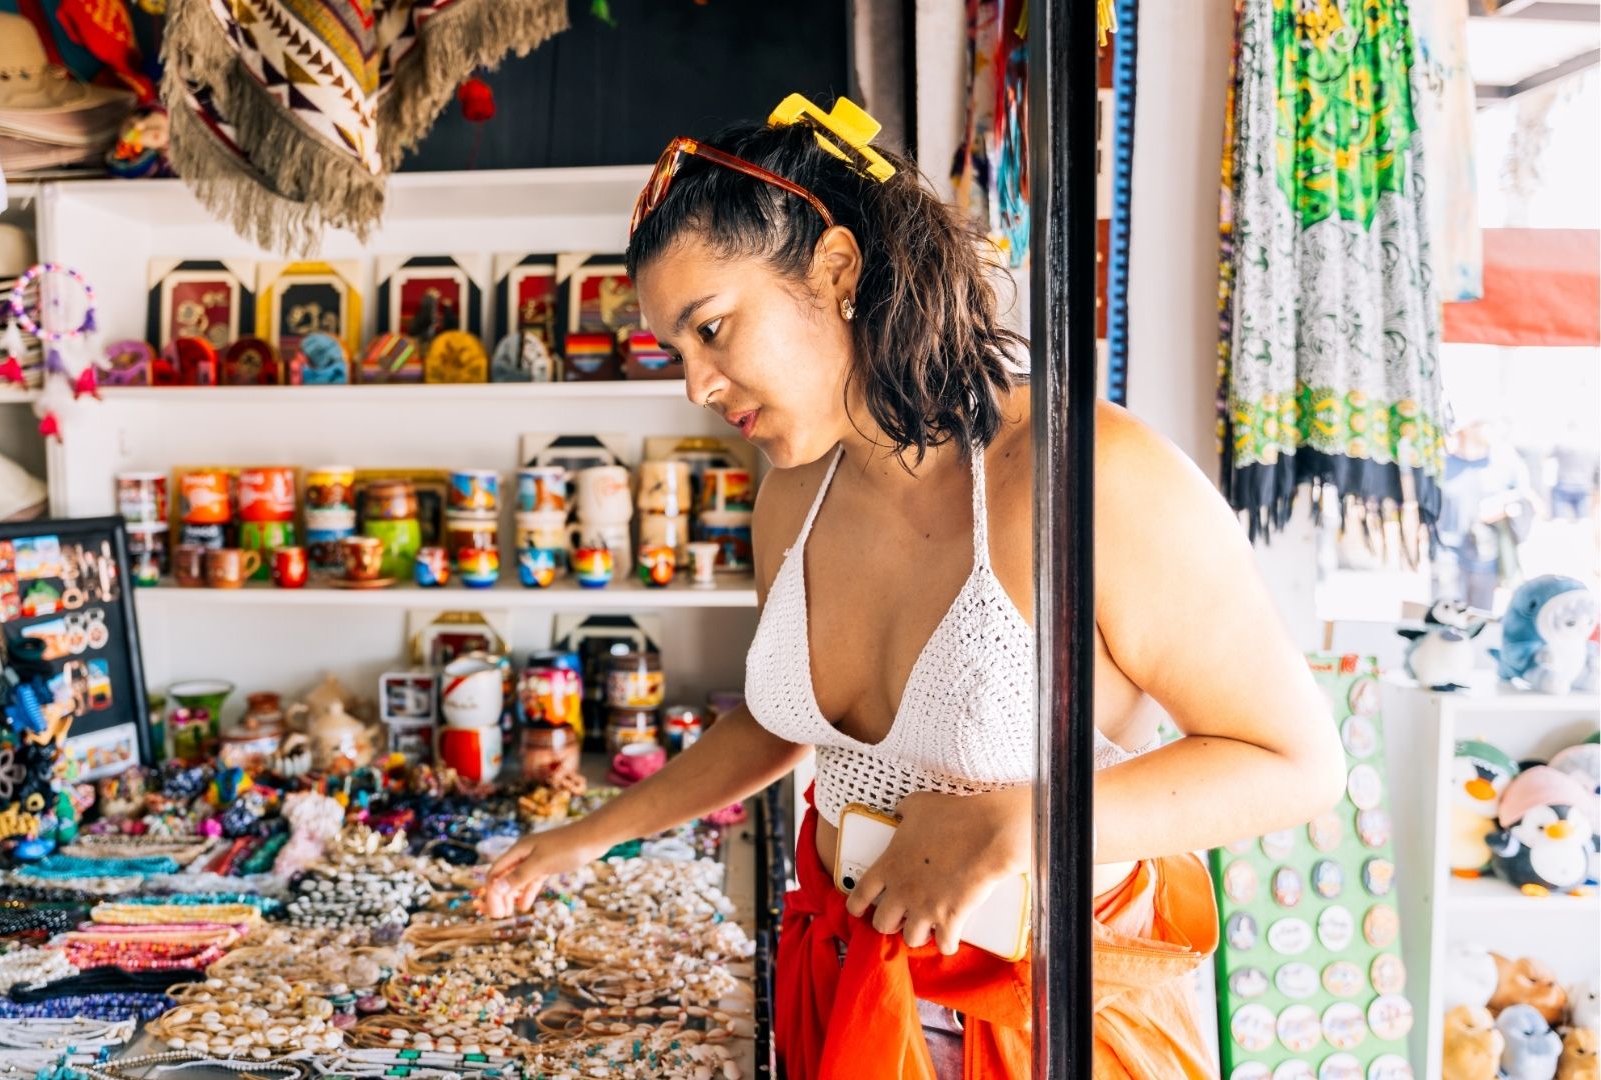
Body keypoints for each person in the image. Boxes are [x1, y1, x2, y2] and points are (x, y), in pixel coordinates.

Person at [483, 98, 1346, 1079]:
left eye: (713, 328)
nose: (697, 384)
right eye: (673, 351)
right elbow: (785, 719)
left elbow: (1297, 765)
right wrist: (593, 835)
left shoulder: (1091, 477)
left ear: (837, 269)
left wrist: (1017, 819)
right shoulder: (792, 493)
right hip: (847, 996)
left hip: (1047, 1025)